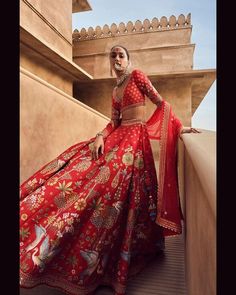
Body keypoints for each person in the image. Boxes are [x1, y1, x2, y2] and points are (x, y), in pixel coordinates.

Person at [19, 45, 200, 295]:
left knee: (120, 193)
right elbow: (114, 121)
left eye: (121, 55)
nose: (116, 58)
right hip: (118, 139)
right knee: (77, 170)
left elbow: (161, 103)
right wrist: (99, 137)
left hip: (136, 142)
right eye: (113, 55)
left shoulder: (137, 76)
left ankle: (121, 253)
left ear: (128, 59)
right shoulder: (115, 91)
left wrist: (180, 129)